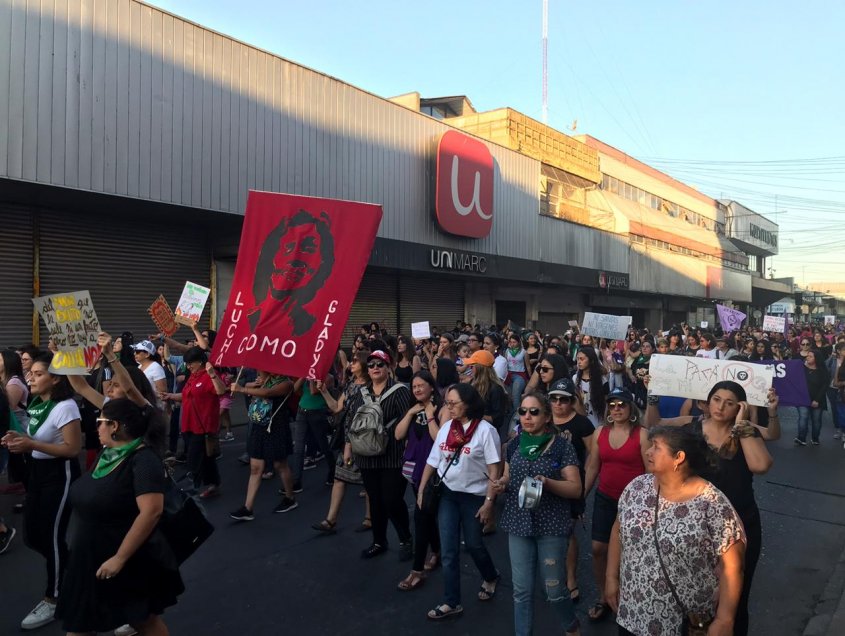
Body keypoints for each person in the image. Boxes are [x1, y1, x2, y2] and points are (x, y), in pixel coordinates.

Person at [647, 380, 775, 635]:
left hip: (738, 526)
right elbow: (653, 424)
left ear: (740, 407)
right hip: (695, 527)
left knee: (734, 597)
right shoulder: (691, 428)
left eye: (730, 403)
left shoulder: (746, 432)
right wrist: (652, 397)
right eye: (716, 399)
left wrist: (742, 424)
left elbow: (760, 465)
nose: (721, 407)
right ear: (708, 400)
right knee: (692, 593)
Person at [54, 398, 183, 635]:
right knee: (81, 623)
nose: (96, 427)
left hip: (125, 559)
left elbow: (151, 512)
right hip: (89, 557)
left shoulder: (143, 460)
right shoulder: (109, 454)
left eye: (99, 421)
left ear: (114, 426)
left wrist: (119, 558)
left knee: (143, 621)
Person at [606, 425, 746, 636]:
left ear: (678, 458)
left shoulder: (712, 503)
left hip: (681, 623)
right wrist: (611, 578)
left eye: (656, 447)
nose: (648, 452)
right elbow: (618, 530)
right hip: (633, 614)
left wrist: (724, 620)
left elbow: (733, 566)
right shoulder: (637, 487)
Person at [1, 352, 82, 630]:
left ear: (55, 378)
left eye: (38, 374)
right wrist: (20, 439)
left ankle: (54, 597)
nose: (30, 378)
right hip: (38, 473)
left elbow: (73, 449)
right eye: (30, 373)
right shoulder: (37, 404)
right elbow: (37, 438)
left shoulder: (66, 407)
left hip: (60, 475)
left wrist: (31, 445)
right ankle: (73, 569)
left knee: (52, 536)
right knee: (33, 536)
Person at [495, 392, 582, 636]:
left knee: (554, 591)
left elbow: (575, 488)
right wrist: (501, 484)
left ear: (546, 417)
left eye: (534, 412)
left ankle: (571, 626)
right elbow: (508, 476)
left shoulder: (561, 446)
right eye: (522, 411)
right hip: (518, 523)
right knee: (521, 592)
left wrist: (548, 483)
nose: (527, 417)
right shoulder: (514, 445)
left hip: (551, 525)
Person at [419, 383, 501, 620]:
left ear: (469, 403)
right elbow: (433, 460)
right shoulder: (447, 428)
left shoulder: (486, 431)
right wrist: (422, 488)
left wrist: (489, 502)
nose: (449, 407)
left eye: (453, 403)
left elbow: (494, 469)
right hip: (449, 495)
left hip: (474, 497)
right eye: (447, 403)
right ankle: (451, 601)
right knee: (449, 550)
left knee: (474, 544)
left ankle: (491, 575)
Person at [583, 387, 648, 623]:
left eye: (622, 404)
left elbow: (650, 473)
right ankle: (604, 596)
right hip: (605, 498)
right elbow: (593, 467)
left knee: (631, 553)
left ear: (631, 408)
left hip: (634, 504)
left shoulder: (642, 435)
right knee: (598, 549)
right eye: (612, 405)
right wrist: (581, 497)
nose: (617, 409)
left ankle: (629, 596)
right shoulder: (600, 432)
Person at [354, 350, 413, 560]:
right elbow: (352, 420)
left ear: (389, 367)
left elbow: (407, 420)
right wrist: (348, 447)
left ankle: (406, 539)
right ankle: (379, 541)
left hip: (392, 454)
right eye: (371, 365)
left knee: (391, 499)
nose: (375, 368)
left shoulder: (399, 391)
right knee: (375, 500)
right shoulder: (361, 392)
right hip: (366, 454)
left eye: (380, 364)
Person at [313, 350, 372, 534]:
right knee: (339, 478)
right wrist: (324, 391)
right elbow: (336, 407)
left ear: (363, 365)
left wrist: (349, 444)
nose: (351, 363)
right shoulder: (350, 385)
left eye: (355, 361)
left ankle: (370, 518)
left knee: (368, 481)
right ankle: (330, 520)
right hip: (347, 439)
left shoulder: (370, 388)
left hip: (362, 440)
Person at [395, 371, 444, 591]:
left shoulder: (441, 408)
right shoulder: (413, 409)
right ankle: (437, 551)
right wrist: (410, 413)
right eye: (414, 386)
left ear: (431, 387)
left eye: (421, 385)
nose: (417, 390)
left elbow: (439, 439)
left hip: (433, 472)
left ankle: (417, 571)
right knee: (427, 516)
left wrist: (430, 414)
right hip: (415, 471)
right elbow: (398, 435)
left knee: (421, 517)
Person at [548, 378, 595, 603]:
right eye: (554, 399)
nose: (558, 403)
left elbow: (594, 454)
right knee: (548, 531)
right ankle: (551, 576)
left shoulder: (582, 424)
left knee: (567, 531)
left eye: (563, 399)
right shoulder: (543, 419)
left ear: (572, 401)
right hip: (546, 483)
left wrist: (585, 483)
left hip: (571, 485)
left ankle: (570, 578)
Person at [228, 370, 298, 520]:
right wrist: (252, 385)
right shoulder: (266, 379)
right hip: (260, 425)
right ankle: (248, 508)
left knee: (280, 464)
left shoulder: (286, 383)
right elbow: (255, 389)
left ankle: (290, 497)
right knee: (255, 467)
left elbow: (268, 393)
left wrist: (242, 389)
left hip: (276, 427)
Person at [162, 347, 227, 498]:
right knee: (206, 458)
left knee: (194, 458)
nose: (188, 366)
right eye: (187, 363)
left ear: (201, 362)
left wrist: (212, 374)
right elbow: (186, 395)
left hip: (203, 426)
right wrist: (170, 396)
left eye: (191, 363)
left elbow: (221, 391)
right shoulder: (193, 376)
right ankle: (214, 484)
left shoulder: (210, 376)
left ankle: (195, 486)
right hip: (188, 424)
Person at [796, 349, 830, 446]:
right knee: (803, 417)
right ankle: (801, 438)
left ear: (816, 359)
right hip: (802, 399)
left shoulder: (822, 371)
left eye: (811, 356)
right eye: (807, 356)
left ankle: (815, 438)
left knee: (816, 420)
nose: (808, 357)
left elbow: (825, 386)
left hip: (817, 400)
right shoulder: (801, 368)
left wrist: (817, 400)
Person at [573, 346, 608, 428]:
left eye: (582, 359)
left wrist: (605, 420)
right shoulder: (575, 379)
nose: (579, 362)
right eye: (578, 359)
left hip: (598, 420)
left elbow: (606, 402)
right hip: (580, 420)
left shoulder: (602, 380)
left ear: (591, 360)